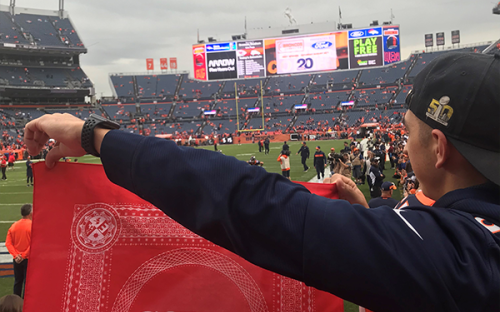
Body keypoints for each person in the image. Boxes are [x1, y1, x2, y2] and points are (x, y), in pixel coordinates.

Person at [23, 52, 500, 311]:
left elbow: (253, 204)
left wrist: (98, 136)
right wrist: (371, 217)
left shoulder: (458, 260)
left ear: (438, 148)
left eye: (409, 133)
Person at [5, 204, 32, 298]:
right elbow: (33, 244)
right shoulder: (32, 226)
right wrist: (24, 255)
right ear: (30, 213)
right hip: (28, 258)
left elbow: (8, 243)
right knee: (27, 282)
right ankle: (24, 303)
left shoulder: (14, 226)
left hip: (17, 259)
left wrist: (16, 255)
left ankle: (16, 301)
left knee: (17, 281)